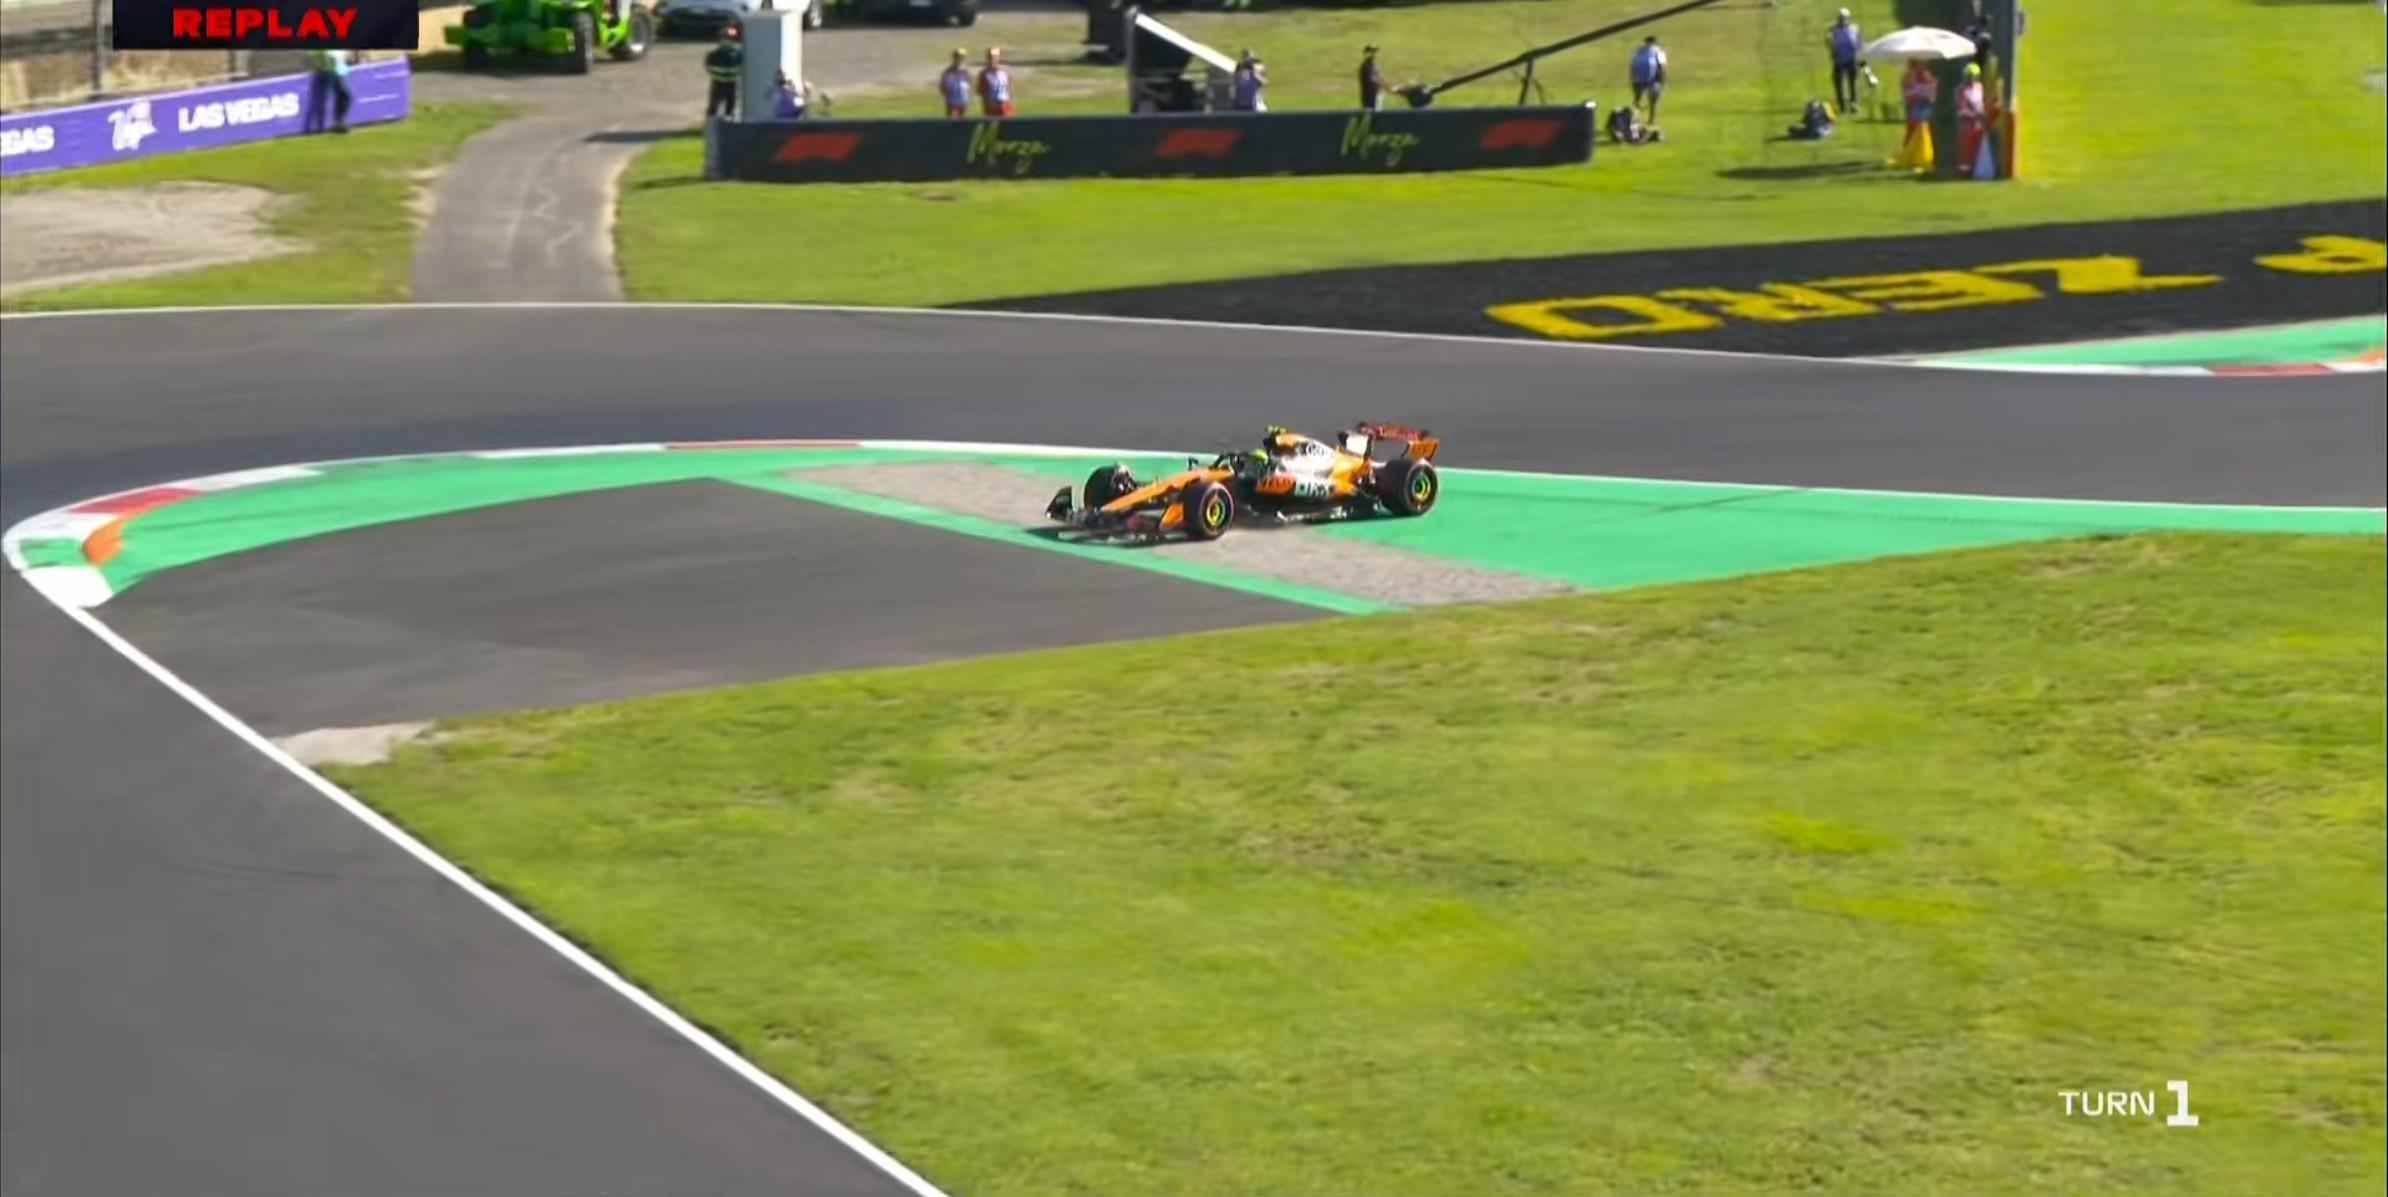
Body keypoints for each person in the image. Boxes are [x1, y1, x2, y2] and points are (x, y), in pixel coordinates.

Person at [1893, 56, 1936, 173]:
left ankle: (1925, 154)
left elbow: (1933, 90)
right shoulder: (1909, 77)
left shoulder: (1928, 76)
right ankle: (1912, 155)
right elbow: (1907, 92)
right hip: (1915, 107)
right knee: (1913, 132)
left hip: (1926, 106)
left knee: (1926, 132)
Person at [1825, 8, 1862, 115]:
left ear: (1848, 18)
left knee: (1853, 83)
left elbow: (1859, 42)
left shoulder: (1854, 28)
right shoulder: (1833, 29)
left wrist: (1859, 54)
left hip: (1851, 59)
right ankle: (1841, 105)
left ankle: (1853, 104)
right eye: (1840, 18)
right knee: (1838, 83)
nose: (1842, 20)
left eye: (1844, 18)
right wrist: (1832, 49)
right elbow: (1827, 41)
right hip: (1839, 60)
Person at [1954, 61, 1987, 177]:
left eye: (1973, 76)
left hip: (1978, 123)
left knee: (1977, 147)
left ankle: (1975, 168)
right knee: (1966, 148)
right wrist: (1974, 115)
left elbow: (1982, 102)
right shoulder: (1961, 90)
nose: (1971, 79)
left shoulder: (1980, 87)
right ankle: (1964, 171)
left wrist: (1982, 113)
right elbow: (1961, 109)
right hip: (1966, 124)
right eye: (1968, 76)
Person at [310, 47, 352, 134]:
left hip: (334, 70)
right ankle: (337, 123)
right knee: (344, 96)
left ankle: (337, 123)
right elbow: (327, 56)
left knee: (340, 96)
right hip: (332, 71)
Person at [704, 26, 743, 120]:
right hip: (718, 84)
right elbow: (708, 66)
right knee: (713, 106)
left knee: (730, 106)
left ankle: (729, 123)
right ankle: (711, 124)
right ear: (720, 40)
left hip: (731, 84)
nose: (727, 41)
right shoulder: (714, 55)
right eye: (725, 39)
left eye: (729, 39)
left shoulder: (738, 54)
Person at [1628, 36, 1667, 124]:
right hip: (1654, 79)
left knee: (1637, 100)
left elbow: (1632, 65)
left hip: (1638, 79)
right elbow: (1662, 66)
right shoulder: (1659, 51)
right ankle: (1651, 121)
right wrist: (1663, 80)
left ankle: (1633, 120)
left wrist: (1633, 78)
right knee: (1654, 102)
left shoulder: (1638, 51)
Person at [976, 47, 1014, 118]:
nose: (993, 59)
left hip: (1004, 103)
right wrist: (987, 104)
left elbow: (1009, 89)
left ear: (999, 57)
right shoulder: (984, 73)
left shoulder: (1005, 71)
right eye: (990, 57)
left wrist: (1010, 103)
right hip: (991, 104)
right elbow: (982, 92)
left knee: (1006, 123)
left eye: (995, 56)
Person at [938, 48, 972, 118]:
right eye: (958, 57)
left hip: (963, 99)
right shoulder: (948, 72)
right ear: (954, 58)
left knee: (963, 119)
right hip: (952, 100)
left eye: (962, 58)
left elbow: (969, 84)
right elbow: (943, 86)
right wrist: (947, 93)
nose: (960, 60)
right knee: (952, 119)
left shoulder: (966, 72)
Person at [1357, 44, 1387, 110]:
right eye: (1372, 51)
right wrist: (1382, 84)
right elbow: (1371, 79)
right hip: (1370, 95)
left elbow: (1378, 76)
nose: (1374, 54)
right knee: (1371, 111)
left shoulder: (1374, 64)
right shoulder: (1366, 65)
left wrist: (1385, 83)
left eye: (1375, 51)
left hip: (1377, 93)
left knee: (1378, 110)